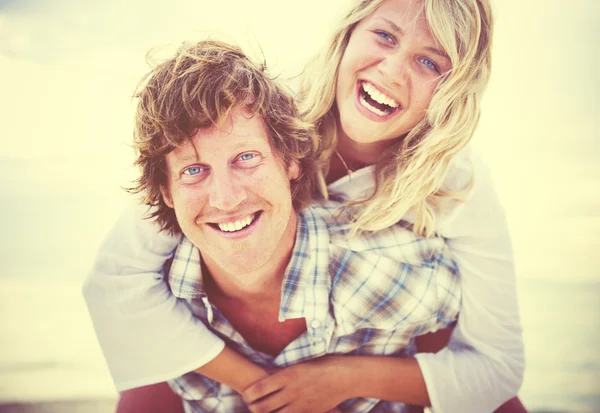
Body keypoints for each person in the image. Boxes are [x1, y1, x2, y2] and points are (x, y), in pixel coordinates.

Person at [83, 0, 526, 412]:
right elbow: (117, 281)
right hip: (224, 347)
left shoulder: (455, 182)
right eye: (385, 37)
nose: (391, 72)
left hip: (370, 343)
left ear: (455, 86)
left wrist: (342, 379)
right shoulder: (252, 116)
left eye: (429, 61)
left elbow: (496, 367)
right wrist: (252, 382)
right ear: (347, 36)